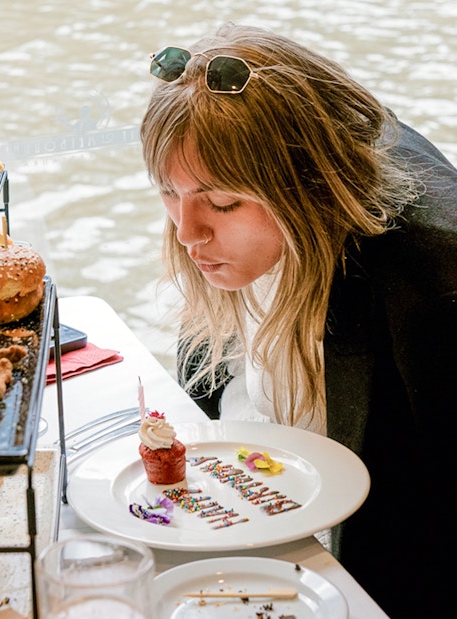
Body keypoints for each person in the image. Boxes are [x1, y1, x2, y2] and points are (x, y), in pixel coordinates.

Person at [140, 22, 457, 618]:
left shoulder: (431, 291)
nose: (186, 233)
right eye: (167, 192)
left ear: (306, 187)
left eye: (224, 203)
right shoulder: (219, 232)